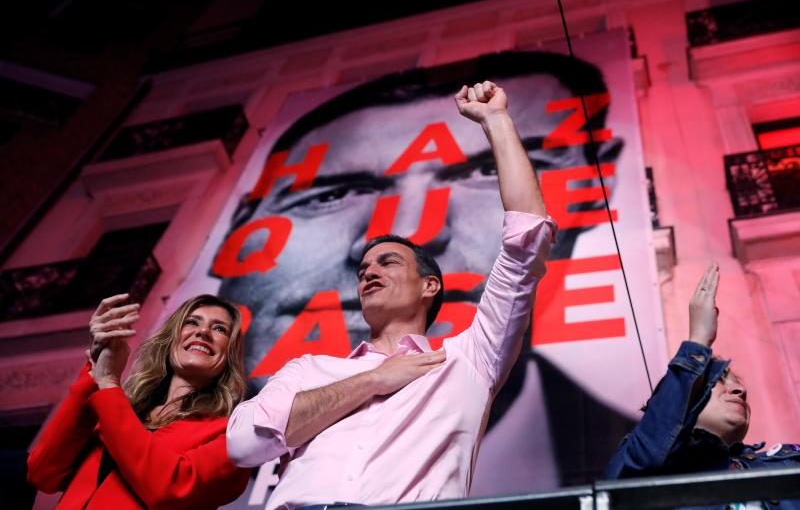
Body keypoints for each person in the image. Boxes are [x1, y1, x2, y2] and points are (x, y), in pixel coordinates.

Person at [218, 51, 631, 492]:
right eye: (335, 193)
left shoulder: (468, 360)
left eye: (389, 261)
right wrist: (373, 380)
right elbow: (244, 444)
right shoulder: (306, 370)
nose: (367, 268)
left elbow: (525, 240)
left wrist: (496, 123)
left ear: (430, 285)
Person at [27, 293, 251, 509]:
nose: (203, 331)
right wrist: (94, 374)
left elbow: (172, 488)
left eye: (219, 329)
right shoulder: (115, 408)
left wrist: (108, 384)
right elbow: (43, 474)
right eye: (191, 322)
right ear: (170, 341)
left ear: (229, 356)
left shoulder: (233, 435)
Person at [605, 264, 800, 508]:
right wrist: (698, 341)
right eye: (718, 381)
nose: (740, 391)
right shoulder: (645, 467)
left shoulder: (788, 464)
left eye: (738, 383)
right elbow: (643, 455)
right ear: (684, 402)